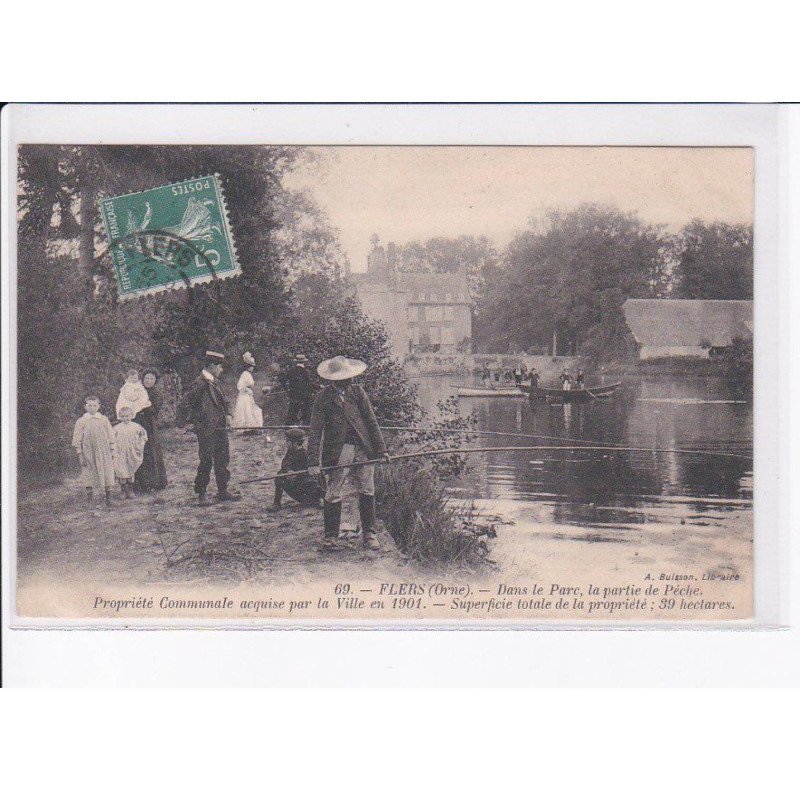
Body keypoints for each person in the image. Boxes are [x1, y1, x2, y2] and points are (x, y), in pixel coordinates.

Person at [307, 356, 391, 551]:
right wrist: (312, 461)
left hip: (363, 447)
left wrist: (382, 450)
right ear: (333, 379)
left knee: (367, 489)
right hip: (338, 450)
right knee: (333, 492)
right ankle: (330, 537)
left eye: (350, 376)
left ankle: (369, 533)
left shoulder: (358, 392)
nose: (349, 380)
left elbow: (371, 421)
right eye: (344, 378)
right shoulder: (323, 397)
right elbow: (315, 430)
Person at [180, 350, 241, 505]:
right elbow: (186, 404)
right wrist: (189, 423)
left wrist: (228, 414)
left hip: (220, 427)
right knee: (206, 460)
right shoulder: (199, 383)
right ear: (212, 366)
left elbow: (225, 400)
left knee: (222, 459)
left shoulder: (215, 381)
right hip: (206, 429)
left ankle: (223, 491)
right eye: (220, 366)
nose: (221, 370)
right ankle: (201, 493)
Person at [72, 395, 116, 507]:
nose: (92, 408)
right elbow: (77, 438)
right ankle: (90, 497)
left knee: (106, 471)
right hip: (88, 451)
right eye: (89, 406)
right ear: (85, 407)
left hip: (103, 450)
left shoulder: (103, 419)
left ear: (99, 406)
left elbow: (111, 435)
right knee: (88, 472)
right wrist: (80, 454)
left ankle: (108, 496)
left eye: (94, 405)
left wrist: (112, 450)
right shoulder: (81, 421)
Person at [268, 428, 324, 511]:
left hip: (307, 490)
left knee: (311, 481)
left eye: (288, 441)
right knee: (279, 475)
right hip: (296, 488)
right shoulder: (290, 452)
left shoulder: (305, 454)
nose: (286, 443)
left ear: (294, 443)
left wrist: (296, 473)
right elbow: (284, 465)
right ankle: (276, 503)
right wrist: (288, 472)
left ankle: (320, 499)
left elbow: (311, 472)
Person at [134, 368, 168, 491]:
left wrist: (144, 404)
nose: (148, 381)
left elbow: (154, 410)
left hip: (149, 424)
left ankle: (154, 482)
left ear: (155, 380)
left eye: (151, 379)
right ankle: (138, 483)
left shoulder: (156, 394)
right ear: (142, 379)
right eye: (146, 378)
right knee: (137, 450)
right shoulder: (136, 391)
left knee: (150, 451)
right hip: (137, 423)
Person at [113, 405, 148, 498]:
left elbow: (143, 436)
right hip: (121, 452)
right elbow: (111, 440)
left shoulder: (136, 427)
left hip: (132, 452)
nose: (125, 418)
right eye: (123, 416)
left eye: (127, 416)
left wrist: (140, 445)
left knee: (131, 470)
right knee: (121, 471)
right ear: (120, 417)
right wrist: (114, 449)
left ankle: (130, 490)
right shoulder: (116, 428)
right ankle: (123, 490)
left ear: (132, 416)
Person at [232, 351, 264, 433]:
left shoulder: (248, 374)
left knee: (250, 410)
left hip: (248, 395)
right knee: (245, 410)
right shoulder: (245, 374)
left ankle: (251, 428)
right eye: (251, 366)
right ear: (248, 367)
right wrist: (247, 389)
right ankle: (246, 429)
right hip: (244, 395)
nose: (252, 368)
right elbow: (240, 386)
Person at [281, 354, 317, 425]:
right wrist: (319, 386)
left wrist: (287, 390)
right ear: (304, 362)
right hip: (305, 396)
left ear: (296, 362)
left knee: (292, 413)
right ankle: (306, 429)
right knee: (306, 413)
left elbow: (283, 380)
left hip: (294, 396)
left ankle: (288, 428)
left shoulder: (291, 371)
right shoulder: (306, 372)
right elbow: (310, 384)